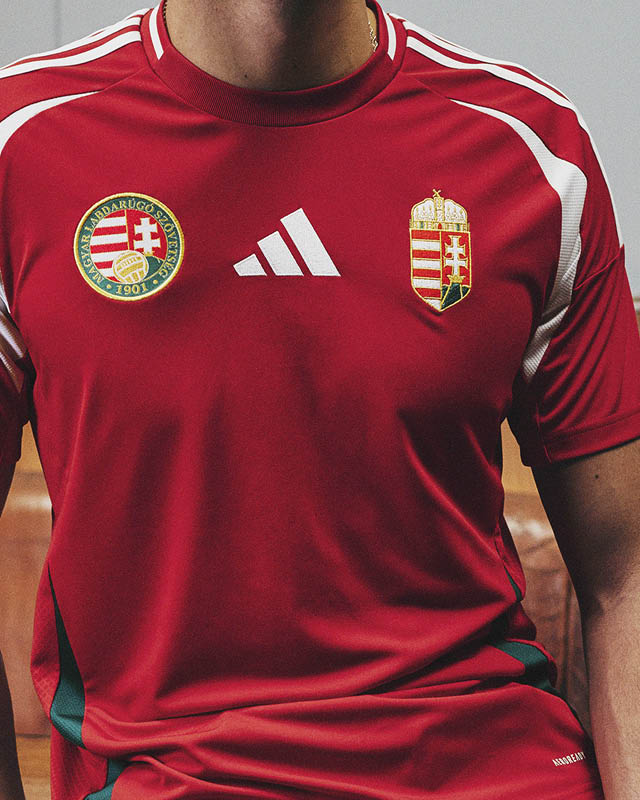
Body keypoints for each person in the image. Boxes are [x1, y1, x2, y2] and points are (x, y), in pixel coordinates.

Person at [0, 0, 639, 797]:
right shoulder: (22, 143)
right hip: (175, 777)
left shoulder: (535, 150)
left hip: (494, 768)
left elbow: (626, 572)